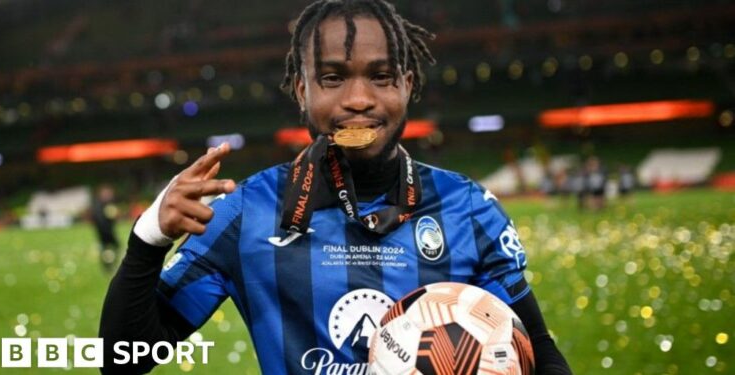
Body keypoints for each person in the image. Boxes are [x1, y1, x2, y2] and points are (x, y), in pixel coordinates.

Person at [99, 1, 572, 374]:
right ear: (302, 91)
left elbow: (540, 353)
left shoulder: (468, 208)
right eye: (332, 78)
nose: (359, 100)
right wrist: (147, 241)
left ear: (407, 86)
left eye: (381, 77)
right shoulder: (247, 212)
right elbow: (124, 359)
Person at [91, 184, 120, 273]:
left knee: (111, 247)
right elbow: (99, 220)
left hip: (106, 231)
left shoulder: (106, 204)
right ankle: (108, 265)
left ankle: (109, 265)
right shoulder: (99, 205)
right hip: (105, 231)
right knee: (111, 247)